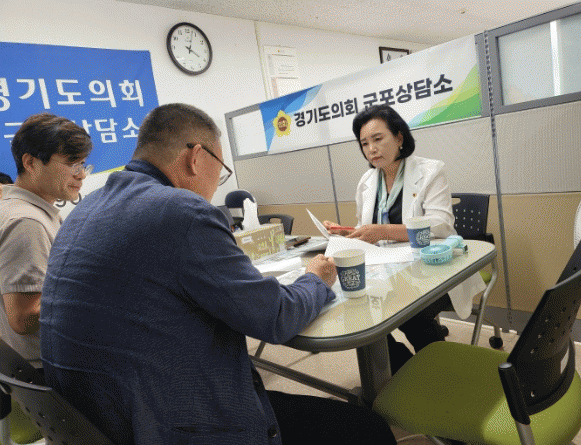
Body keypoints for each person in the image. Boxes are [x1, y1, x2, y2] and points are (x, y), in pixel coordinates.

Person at [40, 103, 396, 445]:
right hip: (165, 423)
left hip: (97, 421)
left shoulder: (84, 211)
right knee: (368, 429)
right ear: (196, 157)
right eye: (221, 169)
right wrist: (316, 277)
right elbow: (276, 317)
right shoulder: (182, 210)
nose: (217, 184)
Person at [323, 104, 455, 373]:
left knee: (409, 313)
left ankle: (440, 371)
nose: (371, 149)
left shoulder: (430, 171)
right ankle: (404, 371)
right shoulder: (367, 181)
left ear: (399, 137)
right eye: (364, 143)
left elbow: (441, 224)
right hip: (385, 271)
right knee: (357, 313)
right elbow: (366, 228)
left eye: (378, 139)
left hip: (427, 271)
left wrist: (384, 231)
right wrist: (346, 232)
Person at [0, 113, 92, 368]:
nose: (81, 175)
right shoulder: (26, 222)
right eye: (71, 163)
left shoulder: (22, 209)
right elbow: (23, 319)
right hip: (44, 367)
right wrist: (91, 291)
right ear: (30, 162)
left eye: (83, 164)